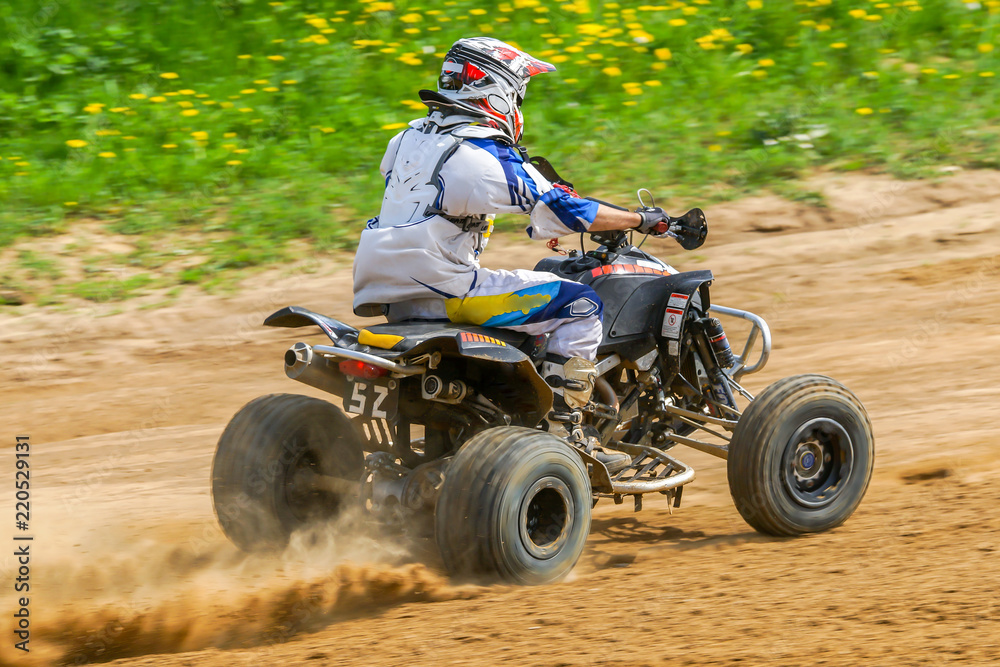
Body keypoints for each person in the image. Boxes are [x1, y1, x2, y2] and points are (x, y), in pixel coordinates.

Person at [352, 37, 670, 429]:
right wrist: (639, 220)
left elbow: (440, 200)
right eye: (518, 95)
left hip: (387, 293)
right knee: (581, 305)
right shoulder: (480, 153)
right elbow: (567, 210)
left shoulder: (404, 140)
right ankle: (563, 429)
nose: (518, 106)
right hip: (448, 292)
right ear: (497, 94)